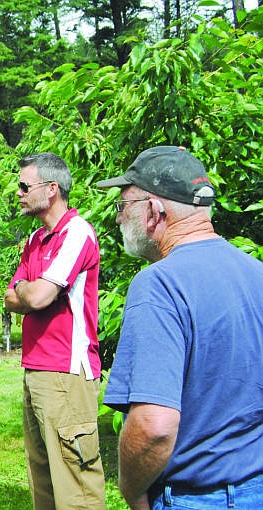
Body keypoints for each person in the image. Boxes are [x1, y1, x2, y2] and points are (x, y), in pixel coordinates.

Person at [97, 146, 263, 510]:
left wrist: (131, 491)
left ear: (155, 211)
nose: (118, 219)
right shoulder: (256, 273)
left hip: (195, 498)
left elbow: (154, 427)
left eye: (123, 207)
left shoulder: (158, 285)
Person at [4, 152, 106, 509]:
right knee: (43, 480)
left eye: (23, 186)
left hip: (66, 373)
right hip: (35, 370)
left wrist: (29, 290)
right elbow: (14, 297)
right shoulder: (35, 240)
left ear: (50, 190)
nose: (17, 193)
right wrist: (27, 291)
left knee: (76, 484)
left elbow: (39, 295)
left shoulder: (77, 233)